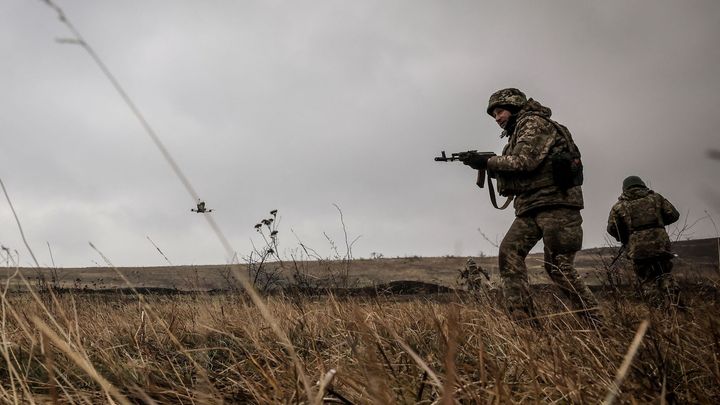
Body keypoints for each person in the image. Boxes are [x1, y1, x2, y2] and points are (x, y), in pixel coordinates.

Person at [460, 88, 599, 322]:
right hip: (531, 206)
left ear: (514, 107)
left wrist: (488, 161)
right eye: (494, 114)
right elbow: (518, 173)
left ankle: (596, 322)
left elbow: (525, 161)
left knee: (558, 266)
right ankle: (522, 321)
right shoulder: (516, 133)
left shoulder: (534, 123)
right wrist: (485, 166)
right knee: (509, 253)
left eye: (500, 111)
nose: (497, 118)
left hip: (556, 204)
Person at [606, 175, 681, 306]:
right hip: (661, 245)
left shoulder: (618, 206)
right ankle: (677, 307)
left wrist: (625, 237)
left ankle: (659, 313)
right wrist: (659, 224)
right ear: (642, 184)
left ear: (625, 189)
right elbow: (673, 215)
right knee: (665, 274)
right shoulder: (656, 198)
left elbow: (612, 229)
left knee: (648, 280)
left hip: (638, 249)